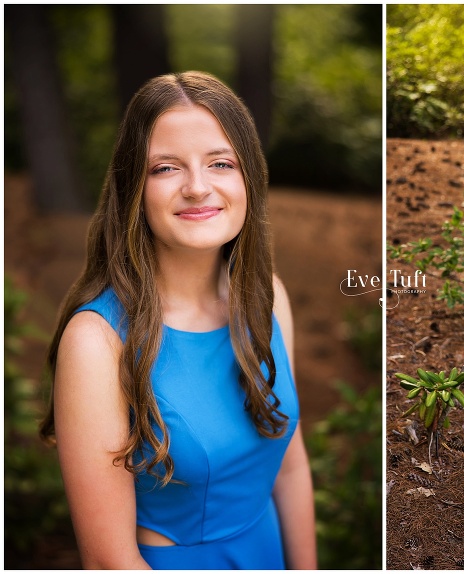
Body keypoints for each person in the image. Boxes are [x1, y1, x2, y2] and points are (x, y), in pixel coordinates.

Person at [39, 71, 317, 569]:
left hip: (266, 551)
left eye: (220, 163)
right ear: (133, 189)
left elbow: (289, 467)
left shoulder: (267, 297)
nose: (197, 187)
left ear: (248, 176)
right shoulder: (97, 343)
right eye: (166, 168)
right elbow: (110, 563)